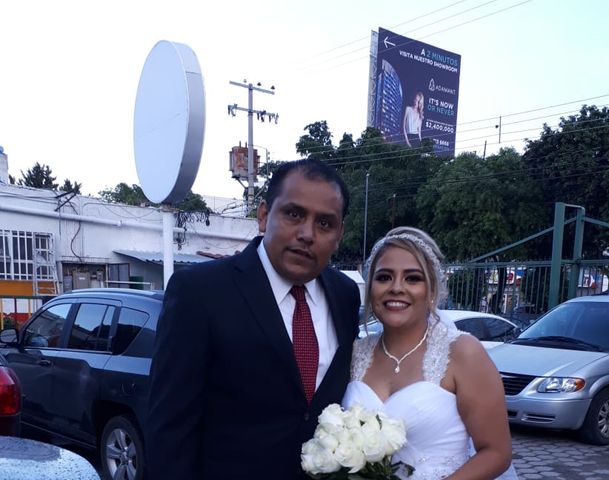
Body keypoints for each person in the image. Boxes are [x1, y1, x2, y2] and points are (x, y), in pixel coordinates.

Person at [146, 159, 361, 480]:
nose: (307, 234)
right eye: (294, 214)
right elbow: (170, 429)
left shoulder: (345, 295)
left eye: (325, 224)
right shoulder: (199, 291)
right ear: (263, 215)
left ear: (339, 233)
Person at [343, 226, 515, 479]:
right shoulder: (355, 354)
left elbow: (496, 453)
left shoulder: (463, 353)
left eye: (412, 278)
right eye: (384, 277)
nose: (396, 288)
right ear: (371, 288)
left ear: (432, 290)